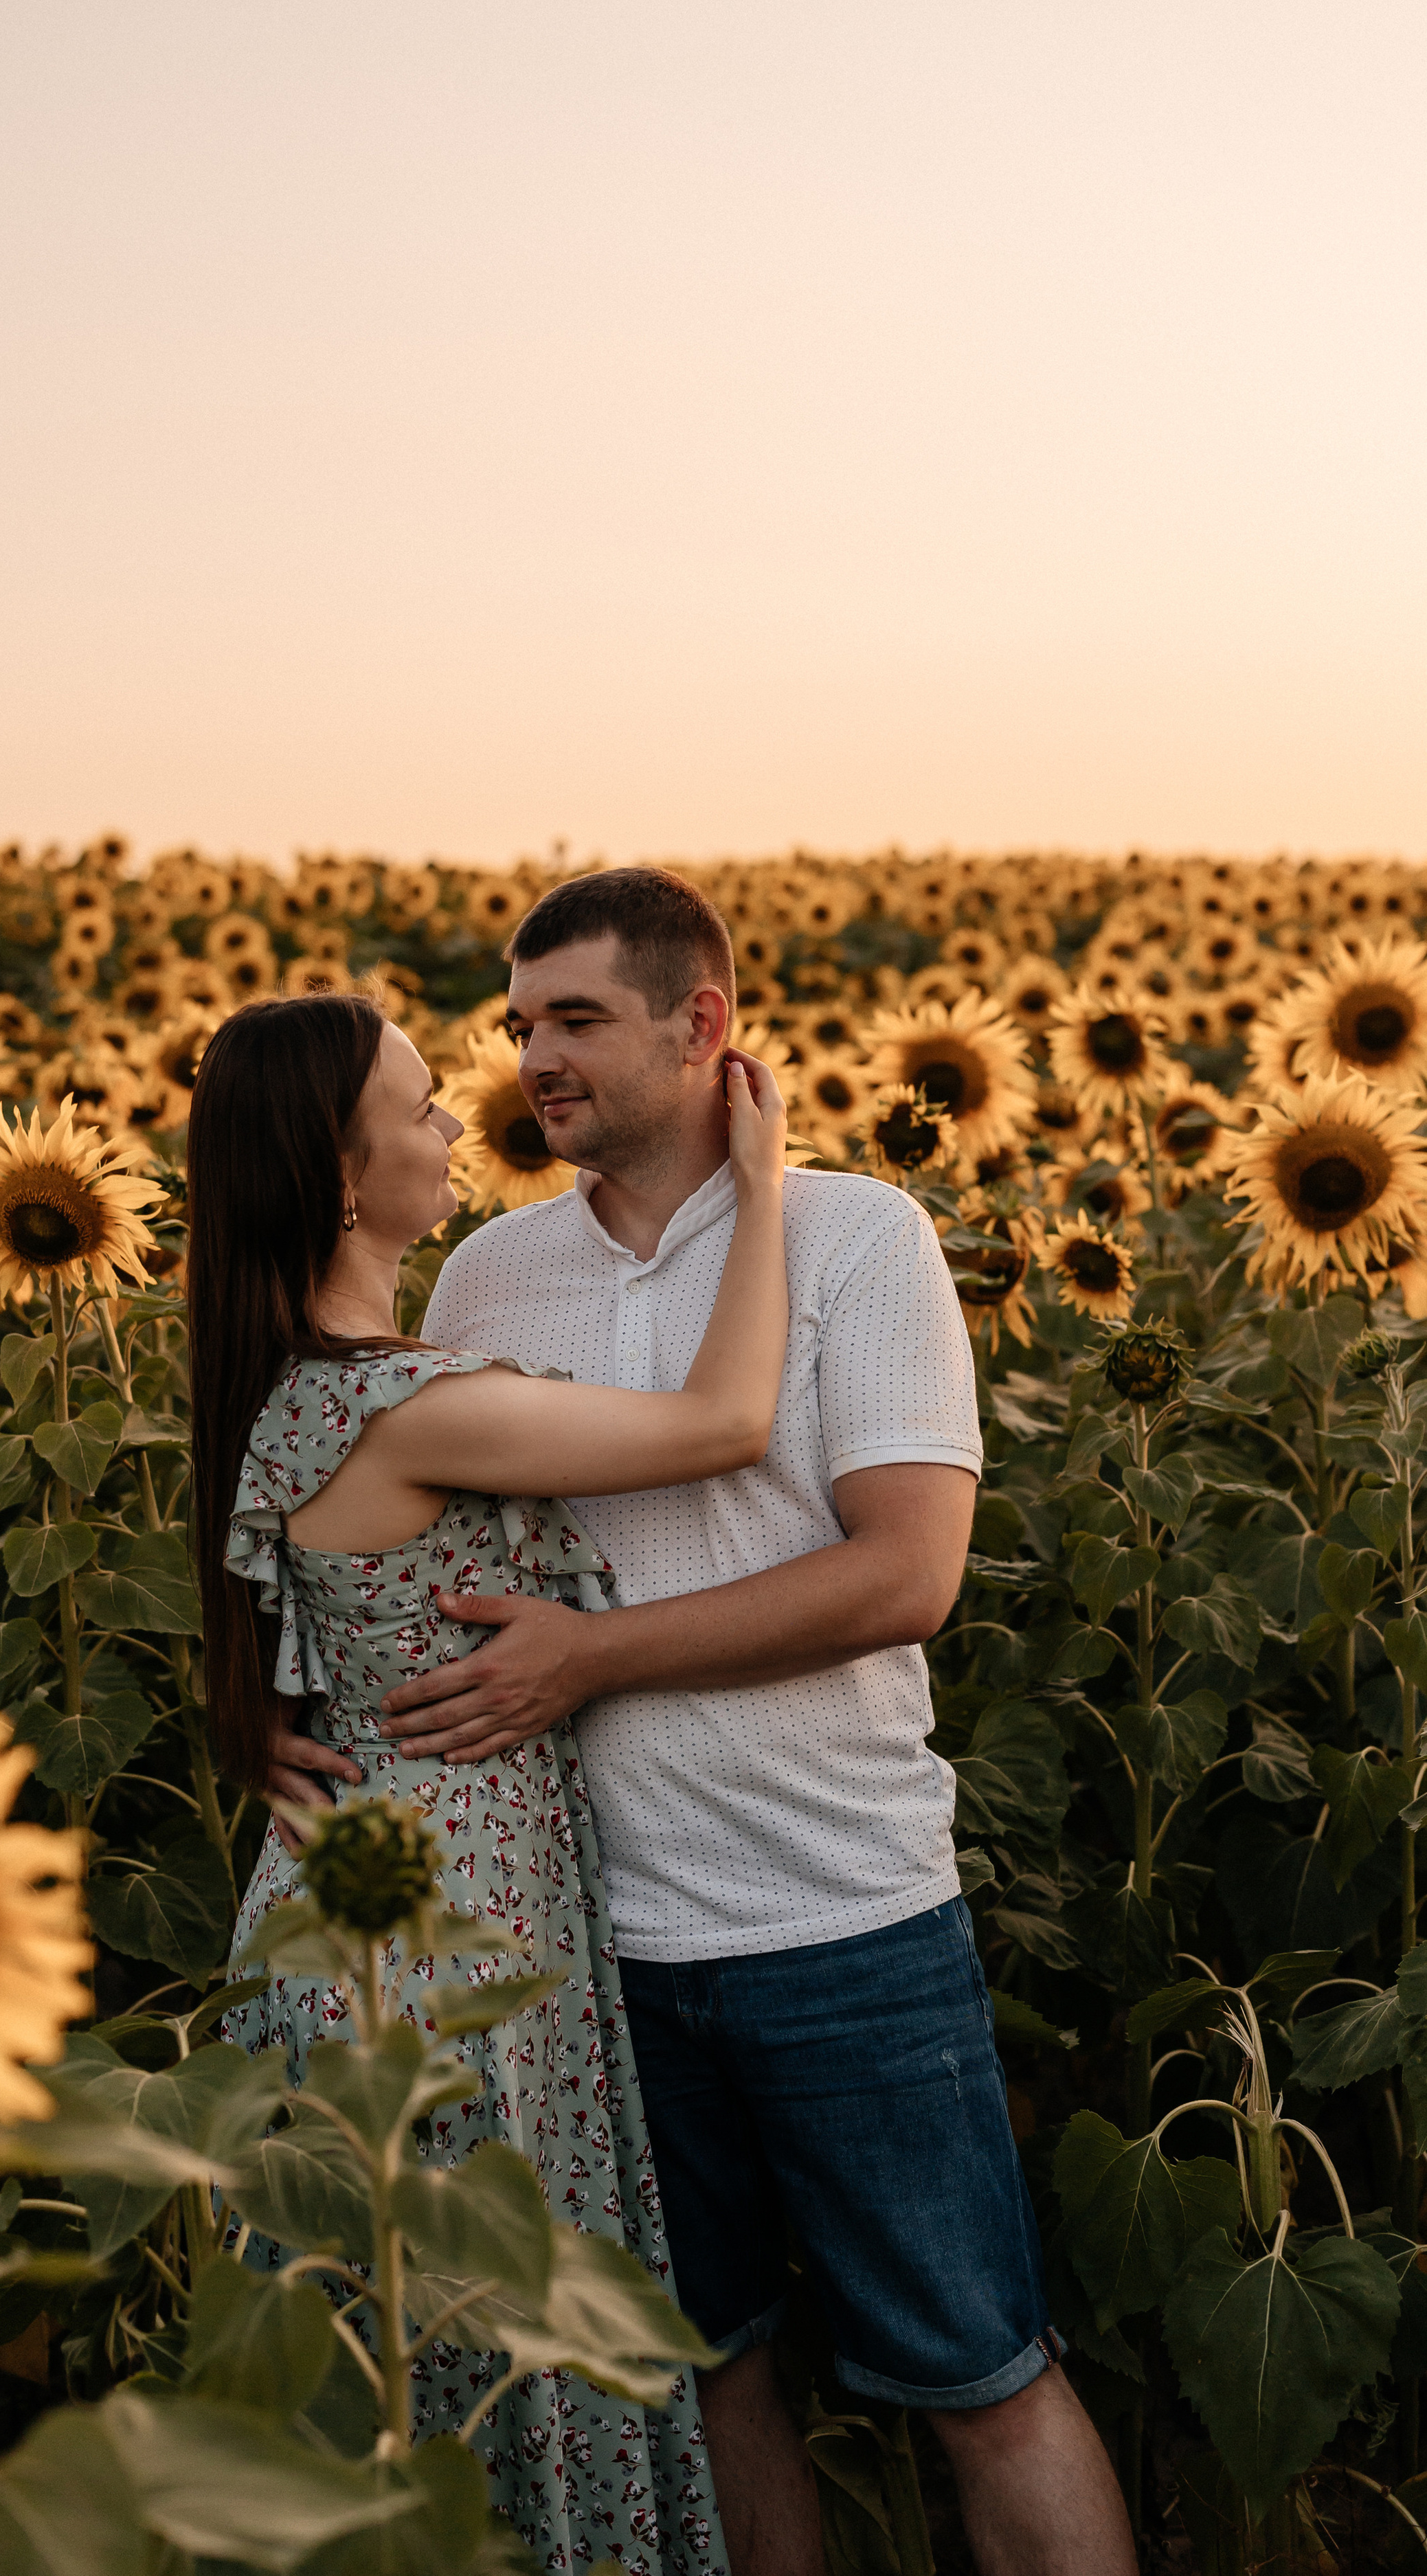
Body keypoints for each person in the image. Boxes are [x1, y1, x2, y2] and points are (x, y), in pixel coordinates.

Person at [271, 869, 1138, 2576]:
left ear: (703, 1024)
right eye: (520, 1027)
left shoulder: (858, 1234)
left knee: (980, 2381)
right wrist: (291, 1728)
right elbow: (392, 1556)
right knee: (707, 2382)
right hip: (592, 1948)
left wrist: (593, 1659)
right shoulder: (489, 1283)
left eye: (578, 1021)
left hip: (840, 1915)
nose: (536, 1061)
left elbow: (902, 1577)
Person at [188, 986, 791, 2576]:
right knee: (481, 2364)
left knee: (425, 2364)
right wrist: (765, 1182)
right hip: (437, 1943)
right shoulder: (408, 1406)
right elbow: (727, 1422)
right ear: (335, 1174)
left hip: (400, 1912)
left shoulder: (310, 1379)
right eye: (415, 1108)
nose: (459, 1122)